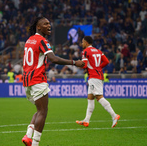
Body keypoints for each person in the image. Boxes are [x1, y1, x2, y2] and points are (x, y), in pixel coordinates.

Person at [22, 17, 85, 146]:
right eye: (45, 24)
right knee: (43, 111)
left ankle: (28, 135)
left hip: (27, 81)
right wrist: (74, 63)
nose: (49, 25)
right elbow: (53, 59)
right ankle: (35, 144)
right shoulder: (42, 40)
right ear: (38, 27)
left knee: (39, 110)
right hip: (37, 79)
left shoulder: (30, 40)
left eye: (49, 23)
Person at [76, 36, 120, 128]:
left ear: (86, 42)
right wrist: (99, 67)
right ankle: (86, 120)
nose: (82, 44)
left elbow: (84, 66)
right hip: (97, 75)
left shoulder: (85, 51)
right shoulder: (98, 51)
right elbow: (106, 61)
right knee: (90, 98)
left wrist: (77, 63)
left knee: (99, 97)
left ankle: (114, 115)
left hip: (93, 77)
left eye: (82, 42)